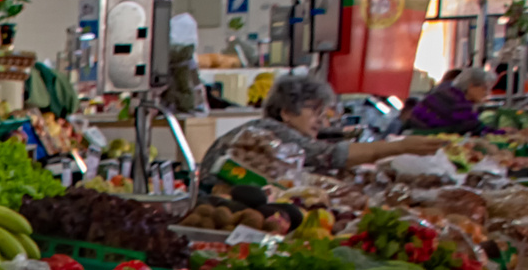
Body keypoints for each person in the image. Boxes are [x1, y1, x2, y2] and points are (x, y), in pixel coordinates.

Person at [197, 75, 441, 181]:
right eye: (313, 112)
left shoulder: (274, 133)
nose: (320, 121)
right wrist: (399, 147)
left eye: (322, 113)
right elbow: (331, 156)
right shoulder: (269, 131)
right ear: (286, 113)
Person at [404, 67, 490, 133]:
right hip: (423, 139)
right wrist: (499, 132)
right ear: (471, 86)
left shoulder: (450, 92)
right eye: (484, 88)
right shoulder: (458, 101)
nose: (486, 93)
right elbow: (473, 126)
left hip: (416, 133)